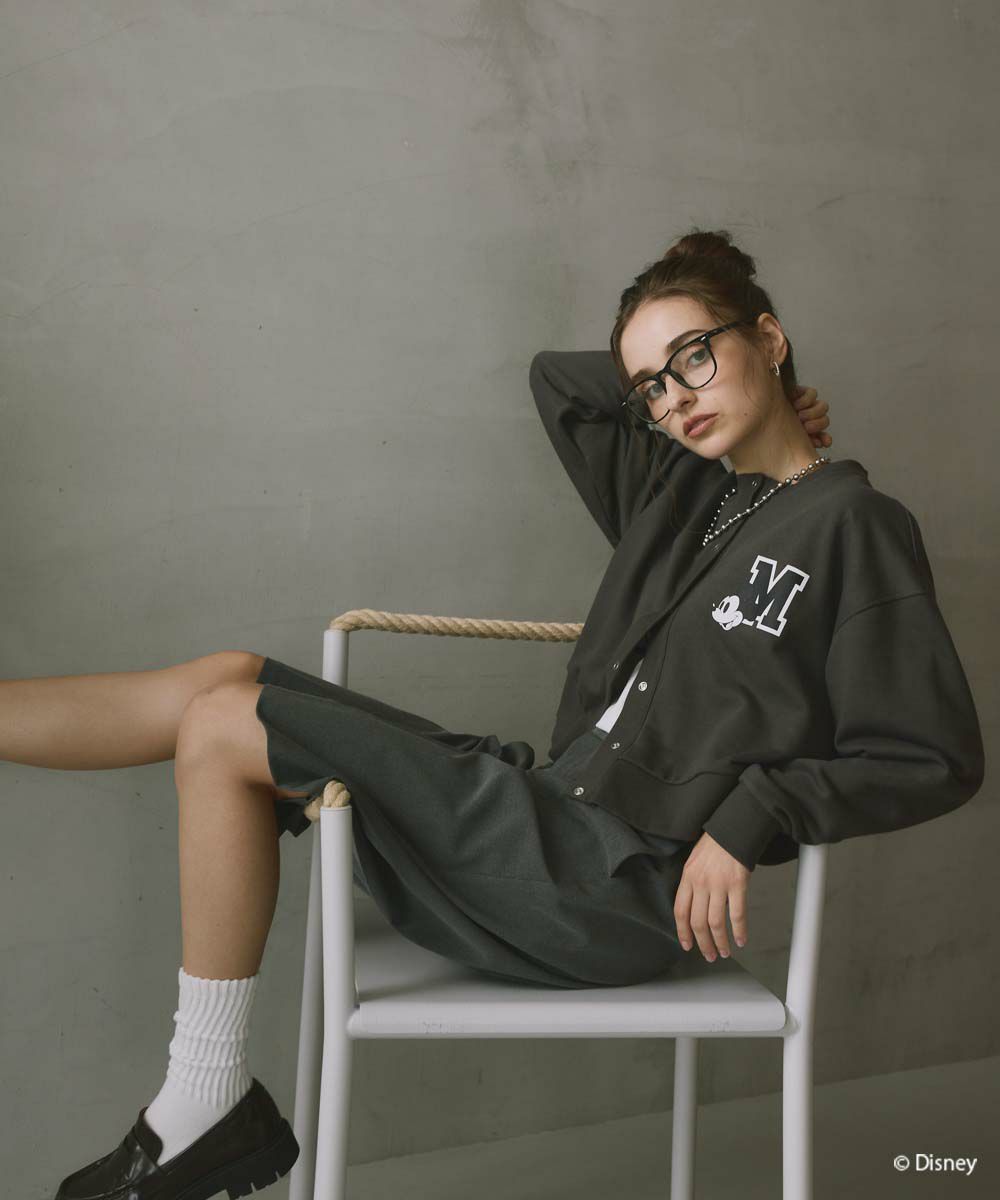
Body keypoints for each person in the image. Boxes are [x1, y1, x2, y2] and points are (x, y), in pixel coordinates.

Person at [20, 228, 973, 1200]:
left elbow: (931, 754)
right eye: (651, 385)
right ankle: (207, 1111)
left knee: (231, 723)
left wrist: (753, 813)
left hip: (612, 883)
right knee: (229, 676)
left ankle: (201, 1101)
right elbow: (561, 382)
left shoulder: (853, 524)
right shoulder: (684, 492)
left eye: (695, 356)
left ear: (769, 336)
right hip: (546, 805)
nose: (674, 398)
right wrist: (723, 384)